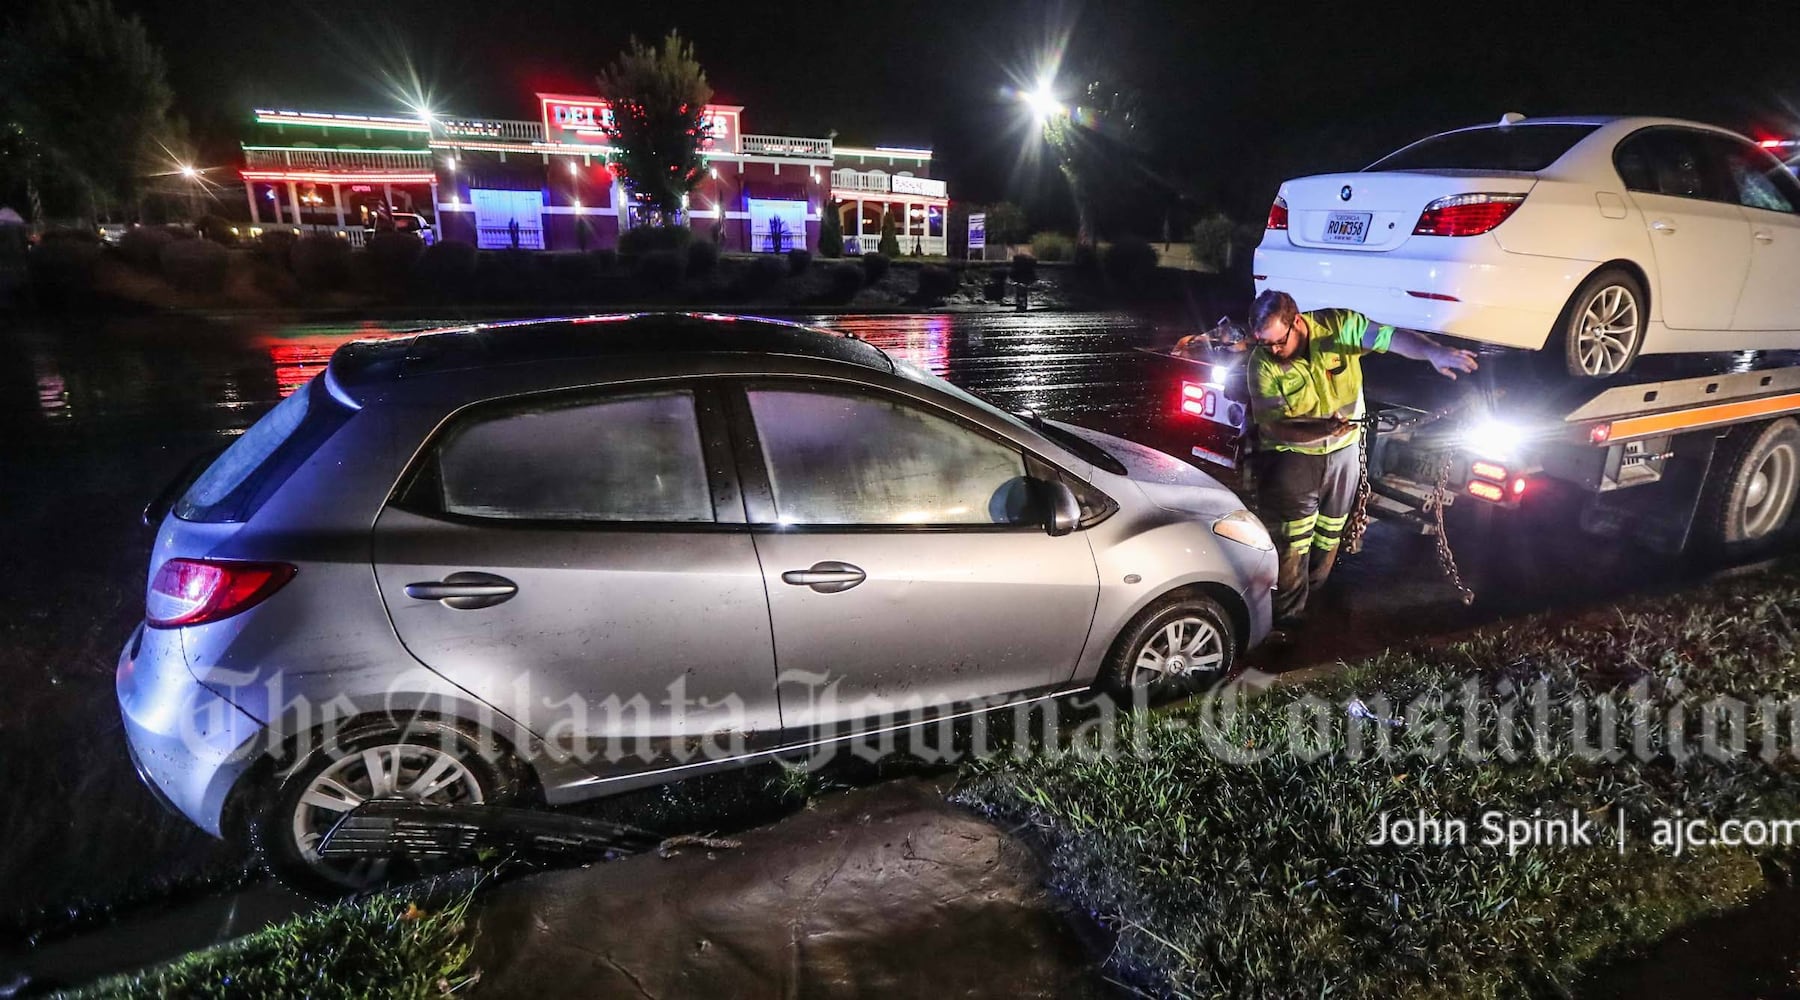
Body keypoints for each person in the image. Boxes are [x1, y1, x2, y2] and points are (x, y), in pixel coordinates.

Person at [1246, 289, 1479, 631]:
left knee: (1330, 532)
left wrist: (1433, 352)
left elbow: (1389, 336)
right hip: (1294, 456)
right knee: (1292, 539)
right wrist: (1320, 431)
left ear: (1297, 322)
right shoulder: (1262, 364)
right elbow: (1275, 427)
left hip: (1344, 453)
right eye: (1265, 344)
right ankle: (1287, 619)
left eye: (1278, 342)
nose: (1273, 350)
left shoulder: (1339, 326)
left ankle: (1315, 594)